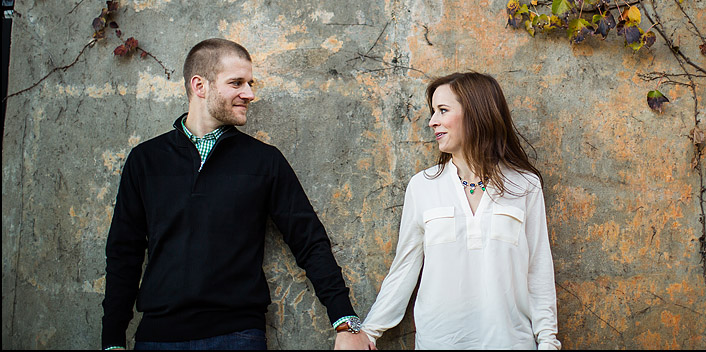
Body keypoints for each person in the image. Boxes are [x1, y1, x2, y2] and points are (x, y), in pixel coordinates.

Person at [101, 38, 371, 350]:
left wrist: (345, 322)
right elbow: (124, 253)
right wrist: (112, 341)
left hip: (237, 336)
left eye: (250, 83)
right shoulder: (146, 160)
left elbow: (309, 241)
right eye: (237, 83)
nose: (250, 94)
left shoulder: (264, 161)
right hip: (158, 337)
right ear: (200, 86)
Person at [361, 72, 561, 350]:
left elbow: (538, 269)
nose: (432, 122)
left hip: (510, 342)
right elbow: (404, 268)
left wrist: (548, 341)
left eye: (443, 110)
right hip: (439, 343)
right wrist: (368, 332)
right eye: (433, 112)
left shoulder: (525, 185)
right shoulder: (423, 187)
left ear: (477, 113)